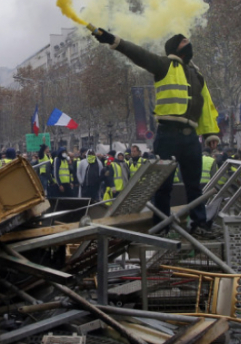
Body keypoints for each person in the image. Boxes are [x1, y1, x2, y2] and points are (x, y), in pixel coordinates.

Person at [93, 30, 220, 235]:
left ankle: (199, 224)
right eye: (184, 42)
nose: (189, 43)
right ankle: (162, 226)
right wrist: (114, 41)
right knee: (163, 185)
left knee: (194, 186)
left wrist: (210, 133)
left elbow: (206, 107)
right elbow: (139, 54)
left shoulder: (198, 75)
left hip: (190, 137)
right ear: (174, 48)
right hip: (168, 134)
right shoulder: (164, 65)